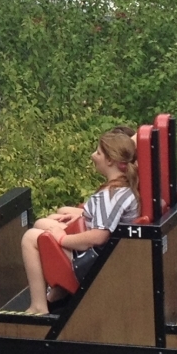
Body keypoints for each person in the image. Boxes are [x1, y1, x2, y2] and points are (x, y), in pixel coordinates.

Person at [18, 128, 141, 314]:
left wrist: (61, 239)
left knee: (30, 238)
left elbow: (99, 237)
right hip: (108, 257)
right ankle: (58, 291)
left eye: (98, 152)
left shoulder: (109, 196)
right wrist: (81, 217)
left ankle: (38, 306)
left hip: (94, 265)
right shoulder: (126, 187)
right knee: (44, 223)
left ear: (110, 161)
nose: (93, 155)